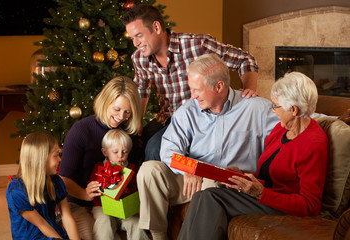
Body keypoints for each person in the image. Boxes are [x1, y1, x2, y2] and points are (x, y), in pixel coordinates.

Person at [135, 53, 279, 240]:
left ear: (219, 86)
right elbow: (168, 150)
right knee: (149, 170)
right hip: (190, 180)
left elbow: (295, 120)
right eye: (191, 89)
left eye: (197, 90)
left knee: (214, 185)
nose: (192, 95)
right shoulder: (188, 111)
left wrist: (325, 119)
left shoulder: (255, 108)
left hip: (225, 184)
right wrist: (188, 167)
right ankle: (157, 236)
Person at [178, 71, 329, 239]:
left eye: (276, 106)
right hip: (266, 195)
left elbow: (310, 205)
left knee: (211, 197)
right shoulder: (281, 129)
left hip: (281, 205)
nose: (273, 111)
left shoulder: (313, 143)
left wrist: (261, 193)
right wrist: (242, 176)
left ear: (293, 109)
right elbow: (271, 176)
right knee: (202, 195)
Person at [120, 4, 259, 161]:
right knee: (132, 143)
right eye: (132, 38)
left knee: (154, 149)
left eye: (139, 35)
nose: (135, 43)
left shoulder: (197, 46)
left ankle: (166, 181)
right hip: (167, 118)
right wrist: (137, 123)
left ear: (157, 27)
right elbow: (142, 90)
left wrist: (248, 92)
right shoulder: (139, 58)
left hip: (199, 117)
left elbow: (245, 60)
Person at [58, 76, 143, 240]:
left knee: (136, 226)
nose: (121, 117)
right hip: (79, 201)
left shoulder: (128, 132)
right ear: (105, 102)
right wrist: (85, 194)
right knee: (96, 233)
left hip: (115, 203)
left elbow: (133, 168)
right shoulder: (81, 131)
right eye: (117, 109)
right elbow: (63, 178)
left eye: (128, 112)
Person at [6, 132, 80, 240]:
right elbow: (42, 224)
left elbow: (67, 217)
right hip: (32, 236)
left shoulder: (56, 182)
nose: (60, 159)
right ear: (41, 158)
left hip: (52, 231)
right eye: (56, 155)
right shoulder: (16, 191)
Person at [89, 129, 149, 240]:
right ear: (105, 152)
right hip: (102, 207)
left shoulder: (132, 168)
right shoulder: (99, 167)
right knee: (104, 222)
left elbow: (137, 190)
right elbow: (93, 189)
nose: (120, 156)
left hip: (125, 209)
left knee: (136, 224)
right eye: (115, 152)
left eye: (124, 152)